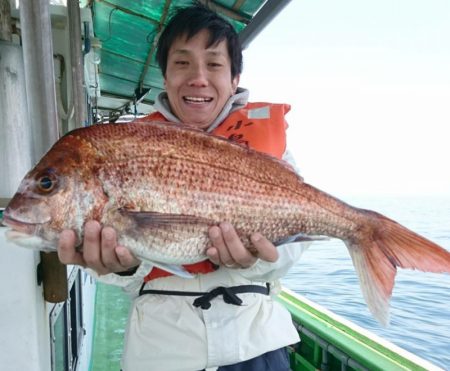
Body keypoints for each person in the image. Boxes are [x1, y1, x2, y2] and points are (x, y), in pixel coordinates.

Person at [58, 3, 303, 371]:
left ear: (235, 79)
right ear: (165, 75)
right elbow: (119, 274)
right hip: (163, 352)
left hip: (256, 346)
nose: (198, 78)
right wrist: (124, 268)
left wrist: (256, 260)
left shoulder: (270, 154)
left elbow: (293, 250)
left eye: (215, 64)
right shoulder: (126, 146)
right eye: (182, 63)